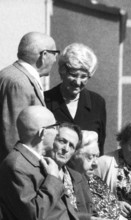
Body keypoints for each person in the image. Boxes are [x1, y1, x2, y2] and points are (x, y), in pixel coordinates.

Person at [0, 106, 79, 220]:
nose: (57, 132)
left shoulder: (39, 160)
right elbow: (34, 215)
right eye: (54, 127)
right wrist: (52, 178)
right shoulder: (16, 165)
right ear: (43, 133)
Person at [0, 32, 59, 162]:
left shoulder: (14, 76)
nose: (55, 59)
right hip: (17, 172)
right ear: (44, 55)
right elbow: (12, 135)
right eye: (55, 53)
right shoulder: (19, 83)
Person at [44, 43, 106, 155]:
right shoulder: (45, 100)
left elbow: (100, 146)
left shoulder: (97, 102)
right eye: (73, 74)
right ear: (62, 71)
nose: (78, 82)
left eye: (83, 77)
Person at [46, 122, 96, 220]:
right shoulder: (39, 172)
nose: (66, 149)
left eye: (72, 146)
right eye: (62, 141)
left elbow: (92, 211)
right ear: (52, 140)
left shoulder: (78, 178)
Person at [68, 130, 121, 220]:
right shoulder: (64, 180)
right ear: (74, 156)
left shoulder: (94, 181)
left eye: (97, 156)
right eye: (90, 157)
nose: (96, 164)